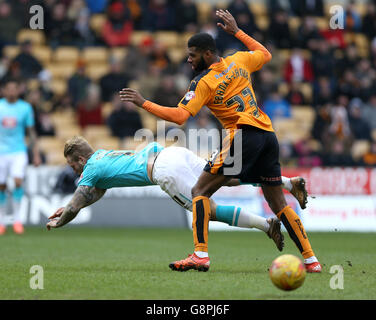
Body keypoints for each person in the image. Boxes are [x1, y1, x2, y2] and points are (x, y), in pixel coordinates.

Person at [119, 10, 321, 273]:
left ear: (207, 53)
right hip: (267, 134)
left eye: (192, 55)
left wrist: (143, 102)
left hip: (242, 135)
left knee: (199, 191)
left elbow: (180, 116)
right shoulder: (239, 61)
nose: (188, 59)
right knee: (277, 203)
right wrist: (237, 31)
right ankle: (311, 260)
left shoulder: (202, 82)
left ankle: (200, 255)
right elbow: (266, 54)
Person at [46, 137, 309, 254]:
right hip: (173, 153)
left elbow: (78, 202)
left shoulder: (90, 170)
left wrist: (61, 219)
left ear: (81, 158)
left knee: (207, 209)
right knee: (224, 179)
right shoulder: (101, 156)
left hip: (164, 171)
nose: (74, 170)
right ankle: (288, 182)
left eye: (73, 165)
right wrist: (69, 206)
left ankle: (266, 225)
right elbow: (96, 193)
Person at [0, 78, 41, 235]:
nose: (11, 91)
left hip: (18, 150)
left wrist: (36, 154)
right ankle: (2, 221)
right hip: (1, 151)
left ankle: (17, 220)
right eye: (8, 89)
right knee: (1, 185)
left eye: (13, 89)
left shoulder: (25, 108)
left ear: (18, 90)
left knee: (18, 181)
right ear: (4, 90)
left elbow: (31, 132)